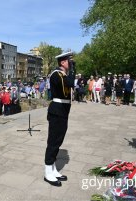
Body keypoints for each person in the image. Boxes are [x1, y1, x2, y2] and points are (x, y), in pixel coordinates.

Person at [44, 52, 75, 187]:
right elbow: (70, 83)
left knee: (58, 140)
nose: (71, 63)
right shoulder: (57, 74)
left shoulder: (63, 75)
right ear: (63, 62)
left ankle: (53, 169)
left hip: (63, 109)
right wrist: (73, 71)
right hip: (57, 110)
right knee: (53, 141)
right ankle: (47, 172)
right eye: (70, 61)